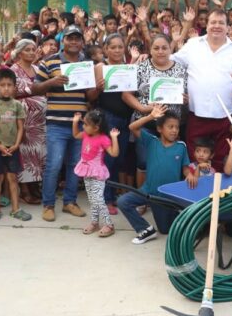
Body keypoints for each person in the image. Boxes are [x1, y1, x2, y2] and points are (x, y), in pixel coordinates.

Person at [32, 24, 99, 222]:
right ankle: (48, 204)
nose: (73, 42)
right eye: (70, 38)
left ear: (82, 42)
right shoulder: (49, 62)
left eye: (77, 38)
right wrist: (51, 83)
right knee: (54, 165)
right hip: (57, 124)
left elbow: (90, 96)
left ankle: (70, 202)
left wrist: (98, 88)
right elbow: (35, 88)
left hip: (80, 125)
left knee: (75, 165)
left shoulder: (86, 64)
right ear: (63, 40)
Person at [173, 9, 232, 170]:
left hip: (224, 117)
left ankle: (218, 193)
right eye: (213, 22)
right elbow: (173, 62)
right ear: (207, 25)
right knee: (194, 158)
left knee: (220, 158)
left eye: (221, 23)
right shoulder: (193, 45)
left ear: (227, 27)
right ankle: (195, 192)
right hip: (197, 114)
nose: (217, 26)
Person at [118, 105, 194, 244]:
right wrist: (151, 116)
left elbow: (185, 168)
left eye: (176, 127)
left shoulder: (181, 146)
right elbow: (132, 127)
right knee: (123, 201)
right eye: (170, 127)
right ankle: (145, 229)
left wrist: (190, 174)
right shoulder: (151, 141)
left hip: (167, 196)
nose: (174, 130)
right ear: (160, 129)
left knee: (165, 229)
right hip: (148, 191)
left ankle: (179, 216)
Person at [122, 33, 187, 187]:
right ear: (150, 50)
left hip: (171, 126)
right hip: (146, 123)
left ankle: (166, 196)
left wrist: (185, 99)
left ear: (170, 49)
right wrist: (143, 108)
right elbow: (126, 95)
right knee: (144, 162)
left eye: (164, 48)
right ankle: (143, 198)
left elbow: (184, 96)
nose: (160, 51)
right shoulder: (141, 66)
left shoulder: (179, 69)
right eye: (156, 48)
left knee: (169, 162)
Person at [0, 68, 31, 223]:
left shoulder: (17, 104)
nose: (6, 88)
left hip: (13, 148)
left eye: (9, 85)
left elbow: (20, 126)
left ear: (14, 87)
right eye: (2, 85)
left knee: (12, 178)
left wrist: (16, 144)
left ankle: (16, 209)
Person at [95, 33, 133, 213]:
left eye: (120, 46)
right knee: (109, 159)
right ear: (106, 49)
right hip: (109, 117)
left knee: (119, 159)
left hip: (125, 119)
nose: (117, 50)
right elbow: (90, 97)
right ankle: (106, 199)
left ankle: (112, 195)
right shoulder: (101, 67)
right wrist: (98, 88)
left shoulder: (128, 68)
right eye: (113, 47)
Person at [72, 110, 120, 237]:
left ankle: (109, 224)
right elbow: (76, 135)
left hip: (98, 172)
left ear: (96, 127)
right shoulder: (86, 134)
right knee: (92, 199)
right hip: (87, 170)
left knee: (98, 199)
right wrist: (75, 123)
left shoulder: (103, 139)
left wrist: (114, 138)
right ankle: (94, 222)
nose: (83, 126)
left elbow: (114, 153)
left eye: (86, 124)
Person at [10, 39, 46, 204]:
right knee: (24, 155)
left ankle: (34, 187)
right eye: (27, 50)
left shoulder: (38, 69)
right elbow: (11, 92)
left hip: (40, 121)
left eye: (33, 49)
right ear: (19, 52)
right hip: (23, 119)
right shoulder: (14, 70)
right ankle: (24, 190)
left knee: (38, 154)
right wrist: (32, 89)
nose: (31, 52)